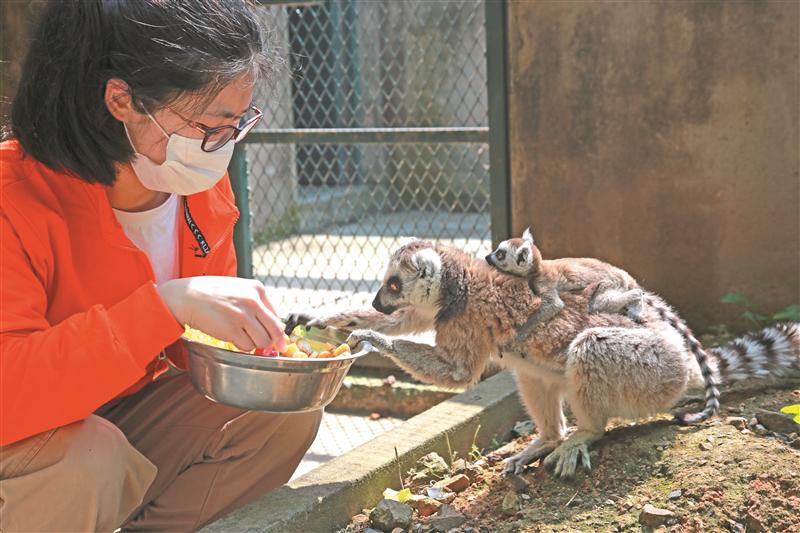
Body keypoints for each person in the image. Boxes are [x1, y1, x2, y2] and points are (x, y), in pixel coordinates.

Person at [0, 1, 322, 530]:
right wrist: (165, 307)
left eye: (239, 124)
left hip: (110, 411)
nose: (226, 147)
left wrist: (255, 347)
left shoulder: (193, 182)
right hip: (30, 432)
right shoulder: (15, 197)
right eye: (212, 126)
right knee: (88, 460)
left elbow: (188, 351)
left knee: (277, 408)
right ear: (122, 99)